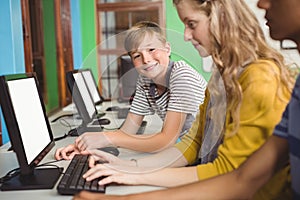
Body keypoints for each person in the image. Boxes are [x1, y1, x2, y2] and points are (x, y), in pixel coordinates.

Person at [73, 0, 300, 199]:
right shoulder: (221, 77)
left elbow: (230, 173)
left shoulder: (258, 78)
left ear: (221, 16)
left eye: (191, 24)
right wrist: (127, 167)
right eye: (137, 56)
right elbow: (193, 144)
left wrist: (134, 175)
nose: (186, 35)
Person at [55, 21, 207, 159]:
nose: (146, 59)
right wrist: (84, 146)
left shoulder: (181, 76)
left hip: (205, 152)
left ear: (167, 48)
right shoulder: (145, 80)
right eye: (137, 55)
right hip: (185, 147)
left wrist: (108, 138)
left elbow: (167, 140)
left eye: (152, 49)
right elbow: (127, 132)